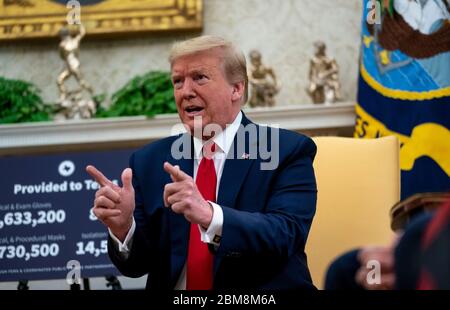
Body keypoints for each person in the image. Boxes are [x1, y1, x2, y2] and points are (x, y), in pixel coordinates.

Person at [86, 35, 317, 290]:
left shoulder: (285, 150)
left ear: (236, 89)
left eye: (200, 78)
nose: (185, 91)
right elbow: (136, 266)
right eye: (177, 81)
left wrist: (210, 215)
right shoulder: (149, 162)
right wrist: (123, 228)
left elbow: (285, 234)